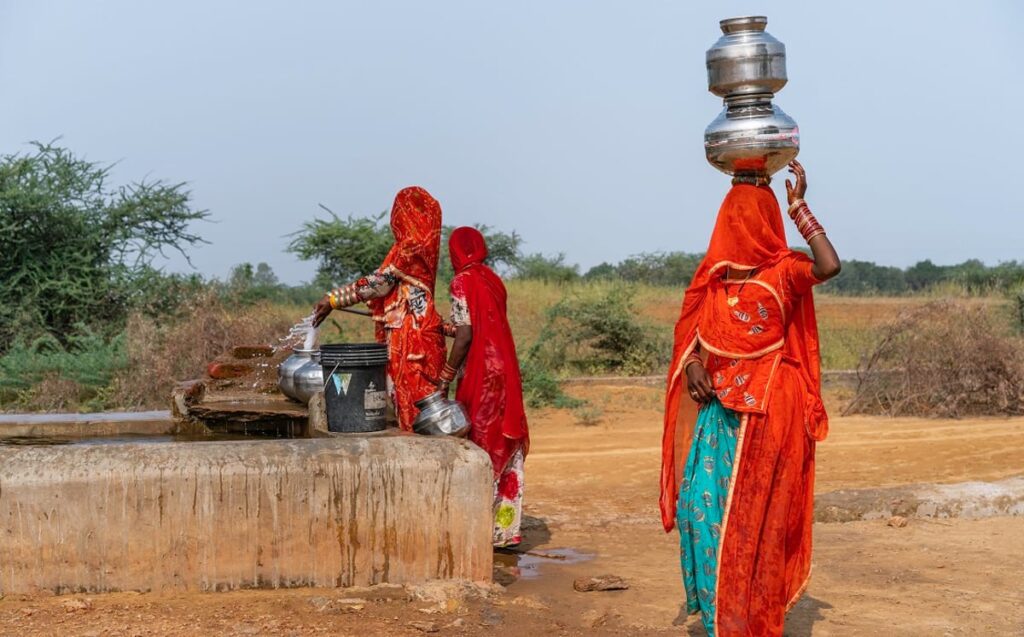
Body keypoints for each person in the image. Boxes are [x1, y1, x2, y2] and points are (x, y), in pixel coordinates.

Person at [659, 161, 841, 636]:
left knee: (750, 523)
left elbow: (829, 266)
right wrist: (694, 364)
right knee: (696, 510)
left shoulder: (783, 272)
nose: (734, 226)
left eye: (742, 217)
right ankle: (724, 614)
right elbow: (693, 339)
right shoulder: (712, 280)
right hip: (719, 413)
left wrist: (800, 209)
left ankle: (742, 620)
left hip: (765, 414)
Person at [312, 186, 446, 431]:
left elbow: (380, 284)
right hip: (419, 334)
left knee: (413, 402)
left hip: (411, 339)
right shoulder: (421, 247)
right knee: (419, 403)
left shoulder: (412, 248)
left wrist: (334, 299)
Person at [439, 226, 530, 548]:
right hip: (505, 371)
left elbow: (466, 336)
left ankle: (480, 531)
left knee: (482, 446)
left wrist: (445, 376)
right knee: (507, 445)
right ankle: (506, 531)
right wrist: (444, 326)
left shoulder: (461, 281)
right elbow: (478, 326)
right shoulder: (492, 279)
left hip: (484, 377)